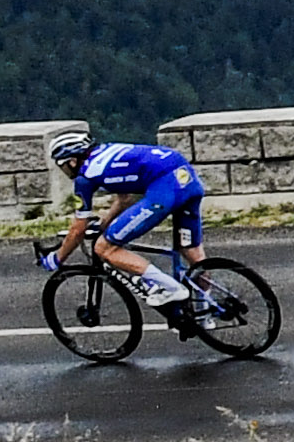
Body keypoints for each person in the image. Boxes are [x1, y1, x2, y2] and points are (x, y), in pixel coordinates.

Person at [44, 127, 216, 317]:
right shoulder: (108, 151)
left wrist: (57, 258)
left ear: (72, 160)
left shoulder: (85, 177)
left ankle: (171, 288)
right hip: (186, 178)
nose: (65, 170)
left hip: (164, 189)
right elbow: (124, 199)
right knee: (192, 254)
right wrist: (103, 225)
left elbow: (77, 229)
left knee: (103, 248)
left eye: (63, 166)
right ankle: (205, 316)